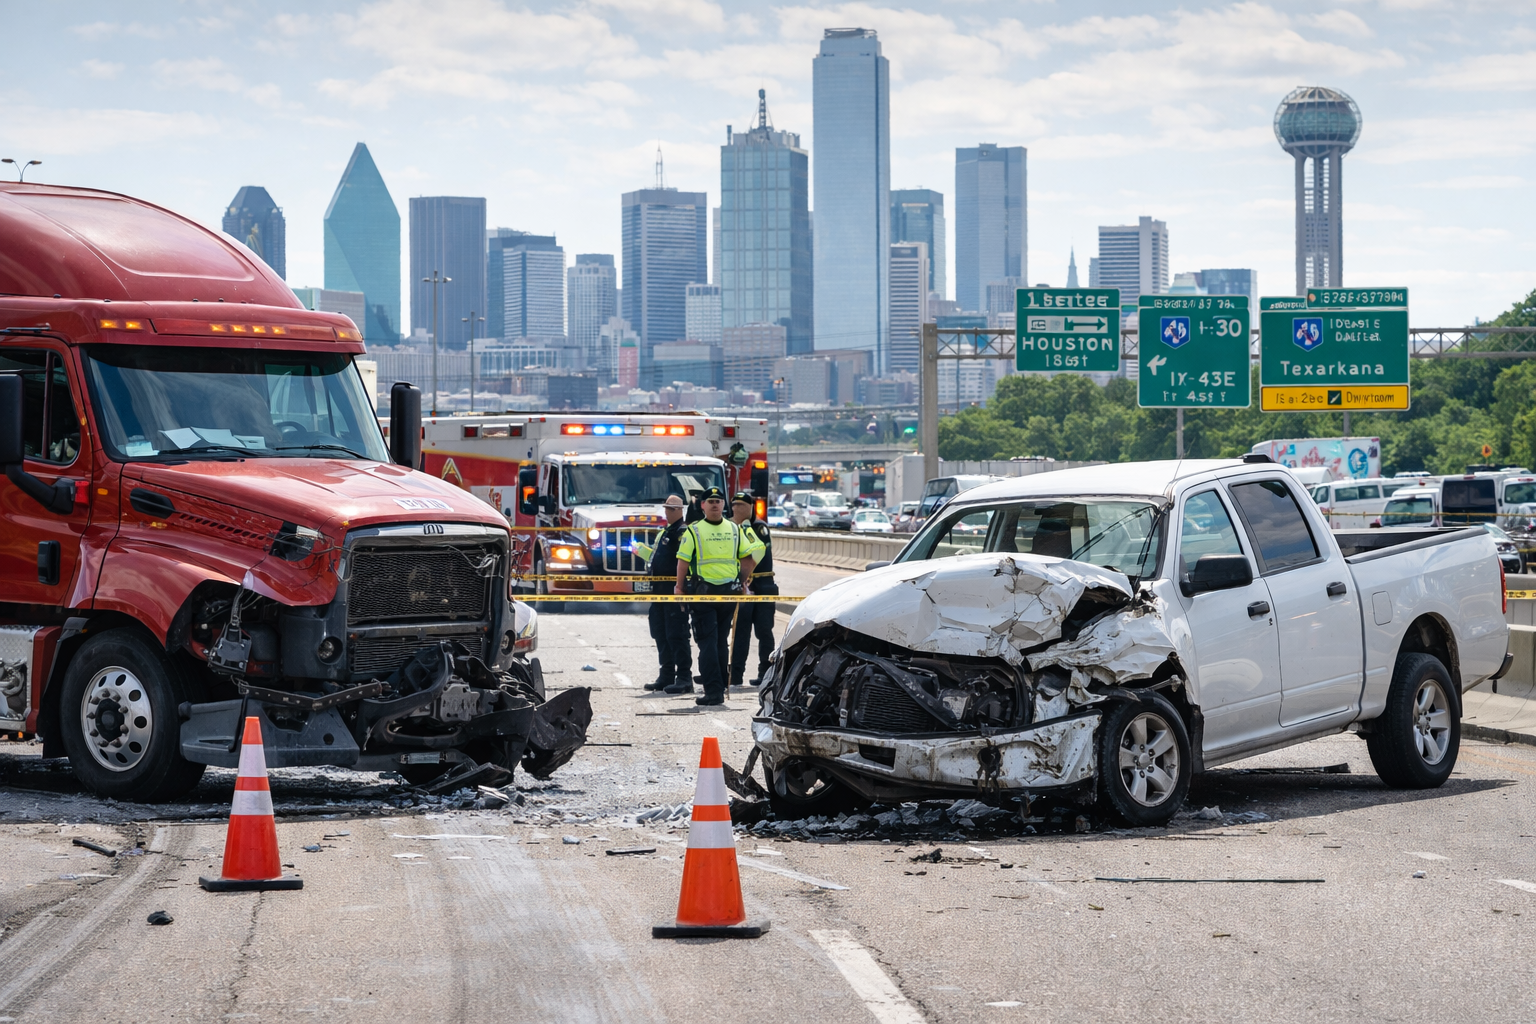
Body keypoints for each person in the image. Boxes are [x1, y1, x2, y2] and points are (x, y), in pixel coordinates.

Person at [674, 486, 764, 705]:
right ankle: (720, 686)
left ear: (723, 505)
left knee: (710, 643)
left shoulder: (733, 529)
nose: (715, 504)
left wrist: (741, 581)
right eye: (710, 501)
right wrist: (680, 587)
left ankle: (714, 691)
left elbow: (748, 559)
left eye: (718, 501)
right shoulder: (695, 530)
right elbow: (683, 561)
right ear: (703, 505)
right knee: (717, 643)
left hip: (717, 595)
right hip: (710, 594)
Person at [634, 494, 692, 693]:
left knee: (677, 634)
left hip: (673, 592)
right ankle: (666, 674)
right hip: (658, 592)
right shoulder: (665, 532)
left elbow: (683, 561)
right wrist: (641, 551)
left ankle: (684, 677)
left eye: (669, 508)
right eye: (666, 508)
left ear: (678, 510)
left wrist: (682, 588)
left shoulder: (682, 532)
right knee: (660, 632)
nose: (666, 511)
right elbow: (658, 557)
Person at [729, 491, 777, 687]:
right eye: (734, 505)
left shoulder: (759, 528)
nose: (736, 509)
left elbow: (759, 553)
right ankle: (735, 674)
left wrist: (746, 574)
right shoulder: (731, 528)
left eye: (741, 505)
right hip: (742, 586)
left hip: (762, 584)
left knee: (764, 630)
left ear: (750, 508)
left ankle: (765, 672)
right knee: (740, 632)